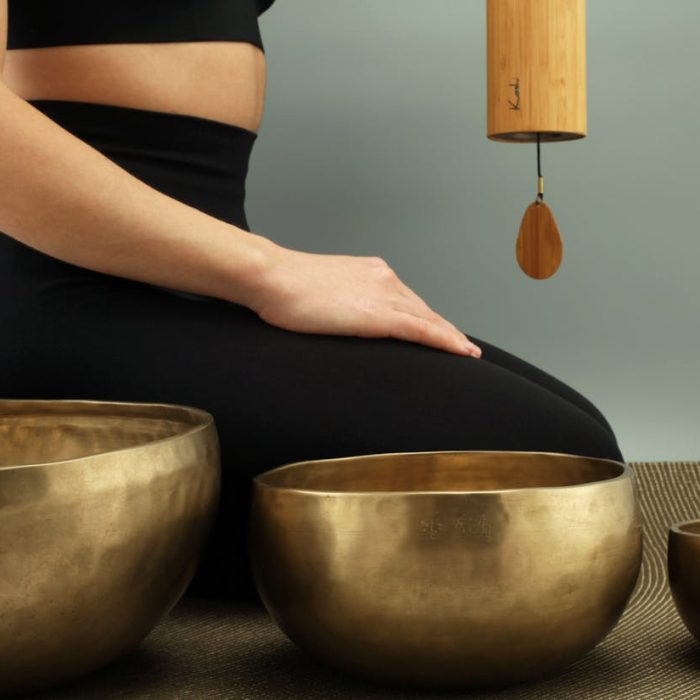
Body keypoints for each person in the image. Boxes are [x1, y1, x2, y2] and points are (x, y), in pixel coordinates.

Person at [0, 0, 623, 602]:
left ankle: (126, 538)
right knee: (552, 464)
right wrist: (270, 273)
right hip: (57, 290)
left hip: (188, 293)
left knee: (581, 456)